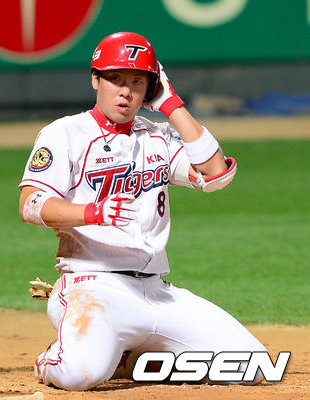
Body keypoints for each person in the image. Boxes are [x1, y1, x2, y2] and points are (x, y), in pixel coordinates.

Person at [18, 32, 266, 391]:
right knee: (80, 374)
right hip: (93, 287)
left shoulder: (158, 137)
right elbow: (31, 204)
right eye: (116, 79)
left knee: (252, 367)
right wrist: (93, 212)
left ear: (150, 88)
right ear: (95, 79)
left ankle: (130, 360)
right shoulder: (65, 133)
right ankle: (51, 359)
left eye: (137, 82)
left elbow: (216, 175)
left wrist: (171, 104)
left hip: (157, 291)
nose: (126, 91)